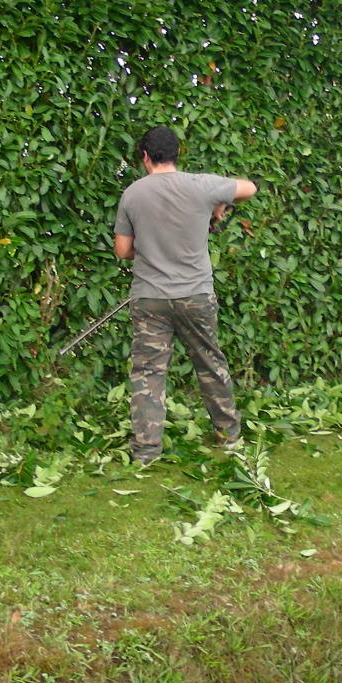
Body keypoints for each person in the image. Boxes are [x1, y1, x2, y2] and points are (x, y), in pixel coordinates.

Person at [113, 126, 258, 466]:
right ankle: (228, 435)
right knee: (209, 362)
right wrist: (218, 205)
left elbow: (122, 250)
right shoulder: (201, 185)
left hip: (150, 299)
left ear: (145, 157)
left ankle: (146, 452)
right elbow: (249, 188)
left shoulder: (132, 194)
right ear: (178, 154)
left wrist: (149, 246)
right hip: (195, 295)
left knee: (148, 373)